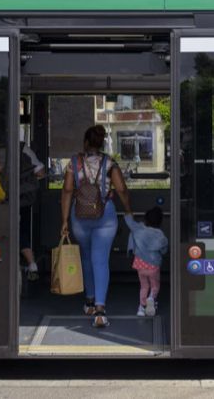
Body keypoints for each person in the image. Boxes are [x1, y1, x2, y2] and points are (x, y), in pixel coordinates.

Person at [61, 125, 132, 328]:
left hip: (79, 216)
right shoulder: (110, 162)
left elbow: (66, 191)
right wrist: (128, 210)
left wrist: (64, 220)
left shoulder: (73, 163)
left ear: (85, 142)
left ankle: (89, 302)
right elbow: (122, 189)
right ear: (101, 143)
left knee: (86, 257)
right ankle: (100, 311)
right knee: (100, 260)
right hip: (105, 215)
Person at [125, 207, 168, 317]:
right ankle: (151, 299)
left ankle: (141, 307)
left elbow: (129, 221)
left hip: (140, 264)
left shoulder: (138, 229)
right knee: (154, 286)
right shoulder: (160, 235)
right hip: (153, 265)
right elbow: (164, 250)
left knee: (144, 286)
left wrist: (128, 208)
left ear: (145, 219)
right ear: (160, 221)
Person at [19, 140, 44, 280]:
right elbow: (40, 172)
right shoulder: (23, 149)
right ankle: (31, 263)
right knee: (23, 229)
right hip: (22, 197)